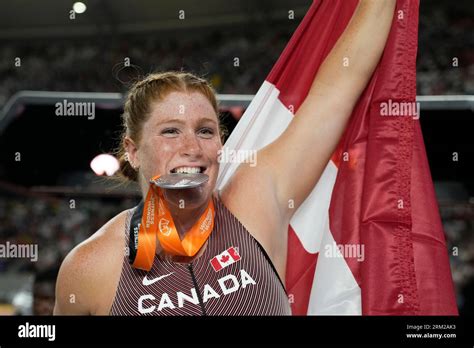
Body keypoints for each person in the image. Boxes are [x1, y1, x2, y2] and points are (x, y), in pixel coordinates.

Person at [54, 0, 396, 315]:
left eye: (205, 131)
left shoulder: (255, 199)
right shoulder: (91, 266)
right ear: (132, 151)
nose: (192, 147)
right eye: (170, 131)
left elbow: (336, 91)